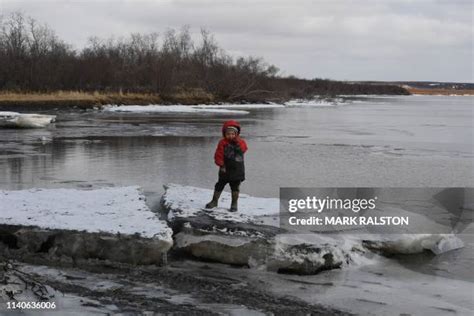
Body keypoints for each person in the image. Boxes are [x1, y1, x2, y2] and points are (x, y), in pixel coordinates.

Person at [205, 120, 248, 212]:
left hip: (237, 169)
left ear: (236, 134)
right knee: (219, 185)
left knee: (235, 187)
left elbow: (244, 149)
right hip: (225, 168)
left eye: (233, 134)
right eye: (228, 134)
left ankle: (234, 204)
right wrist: (221, 164)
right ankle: (214, 201)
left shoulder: (241, 142)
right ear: (224, 134)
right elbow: (218, 155)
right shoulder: (222, 143)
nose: (231, 136)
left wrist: (237, 143)